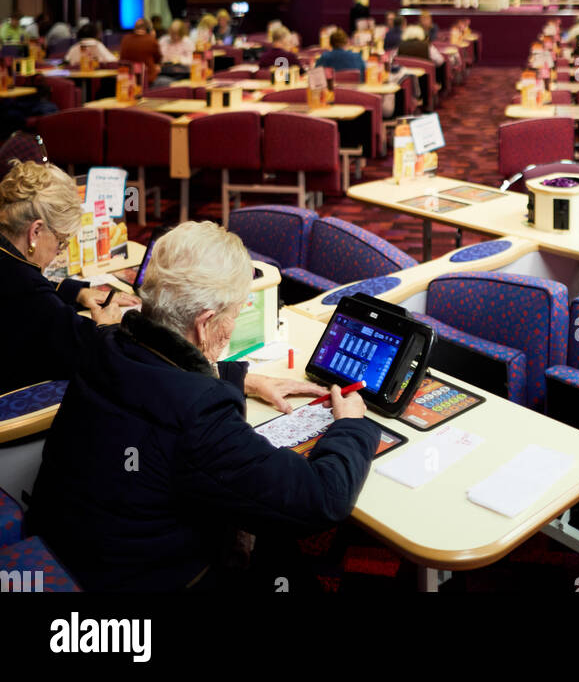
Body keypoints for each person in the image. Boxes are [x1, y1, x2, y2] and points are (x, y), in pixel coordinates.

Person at [28, 222, 379, 592]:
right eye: (234, 313)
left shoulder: (107, 343)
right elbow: (321, 500)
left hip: (65, 550)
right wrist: (352, 425)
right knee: (281, 548)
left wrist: (243, 380)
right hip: (141, 581)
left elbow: (158, 372)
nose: (232, 326)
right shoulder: (200, 414)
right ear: (206, 322)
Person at [0, 160, 135, 395]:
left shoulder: (11, 263)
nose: (58, 252)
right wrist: (107, 326)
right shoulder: (29, 291)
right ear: (35, 231)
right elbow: (91, 352)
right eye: (61, 241)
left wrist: (77, 292)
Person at [119, 17, 162, 85]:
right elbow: (158, 60)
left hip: (127, 82)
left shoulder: (125, 39)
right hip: (147, 81)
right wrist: (153, 37)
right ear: (148, 30)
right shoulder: (151, 40)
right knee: (169, 82)